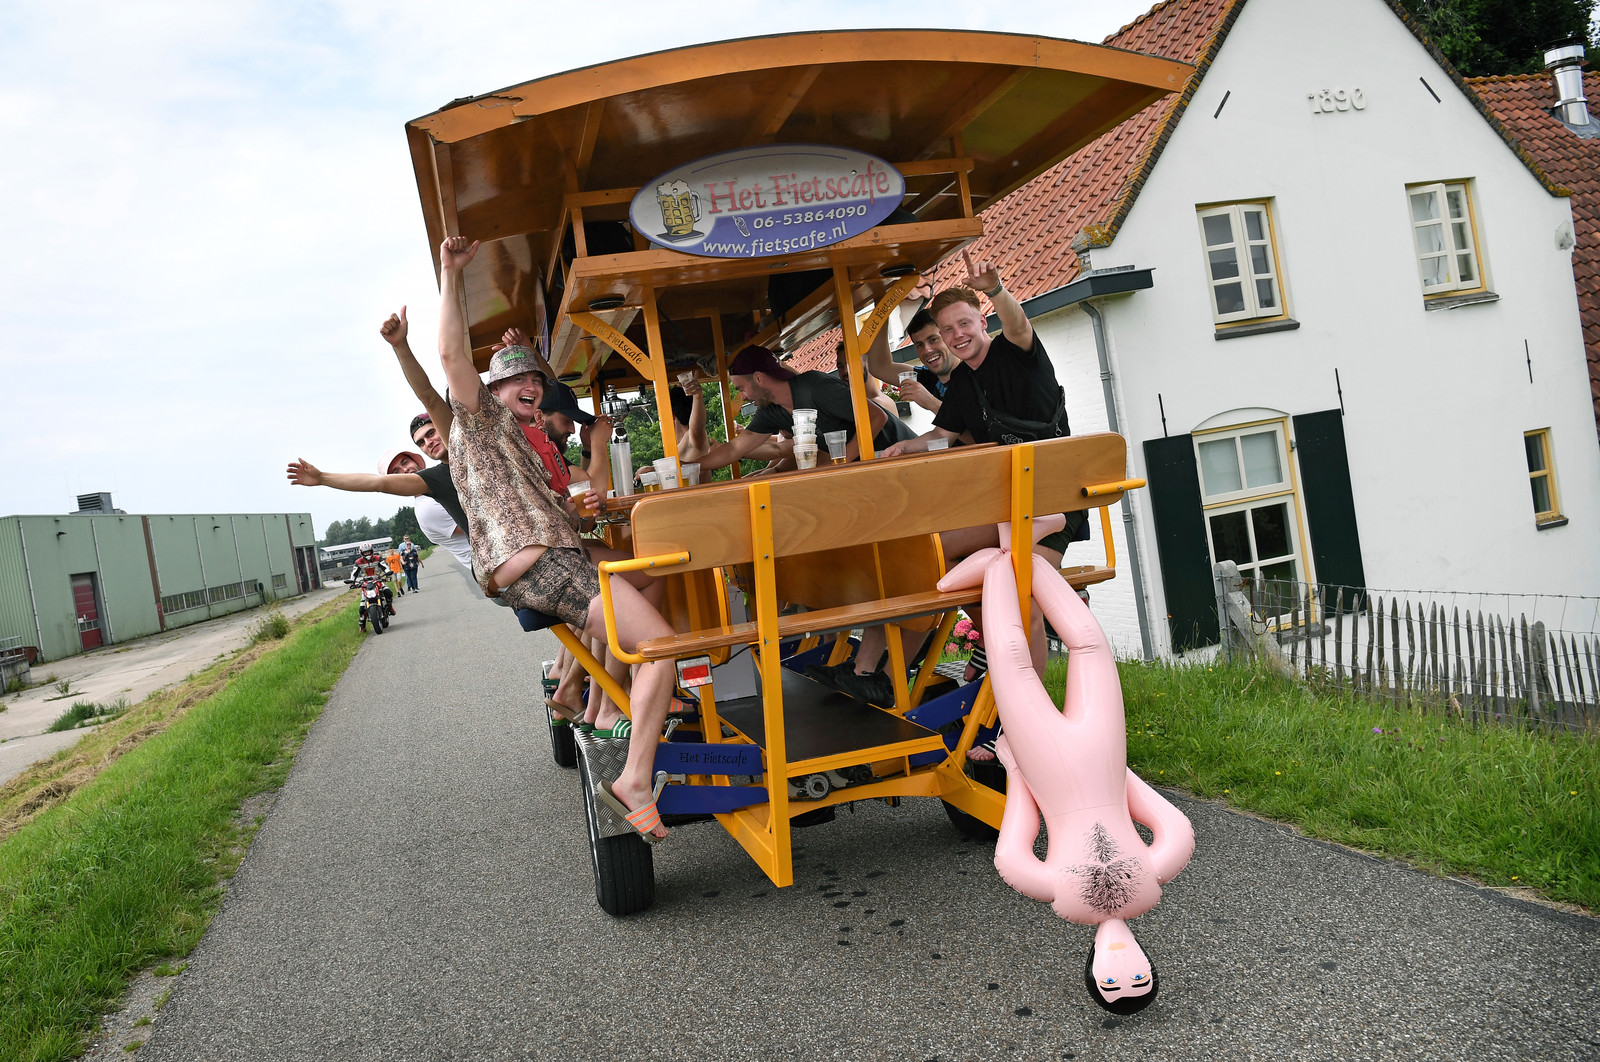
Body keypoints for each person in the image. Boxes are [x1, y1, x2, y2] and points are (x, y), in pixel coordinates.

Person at [436, 234, 679, 843]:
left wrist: (585, 507)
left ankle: (600, 697)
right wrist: (450, 273)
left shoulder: (524, 439)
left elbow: (560, 509)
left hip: (549, 557)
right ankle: (634, 775)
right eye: (512, 381)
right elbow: (449, 358)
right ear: (488, 394)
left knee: (652, 570)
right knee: (663, 645)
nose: (528, 387)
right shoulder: (482, 421)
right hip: (539, 564)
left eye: (534, 383)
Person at [694, 346, 890, 473]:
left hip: (895, 455)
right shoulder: (770, 410)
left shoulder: (816, 387)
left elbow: (877, 417)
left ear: (759, 378)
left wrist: (840, 463)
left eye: (741, 389)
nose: (743, 397)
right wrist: (686, 467)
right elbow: (734, 448)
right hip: (869, 468)